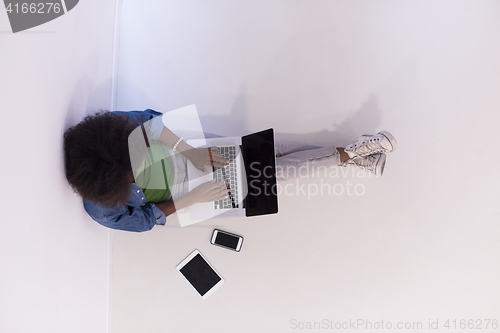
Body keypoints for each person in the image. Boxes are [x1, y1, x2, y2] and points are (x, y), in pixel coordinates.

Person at [63, 109, 397, 232]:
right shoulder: (101, 210)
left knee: (276, 148)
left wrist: (191, 152)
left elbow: (153, 122)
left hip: (188, 156)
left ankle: (354, 156)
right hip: (186, 199)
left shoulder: (118, 130)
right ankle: (354, 153)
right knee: (276, 175)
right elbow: (148, 219)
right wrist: (193, 197)